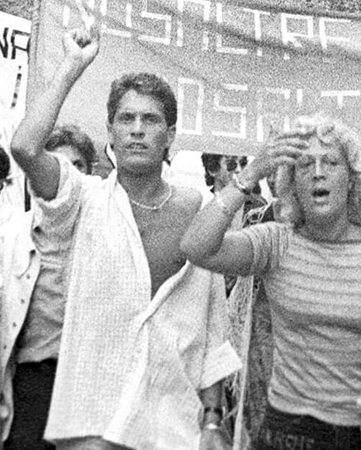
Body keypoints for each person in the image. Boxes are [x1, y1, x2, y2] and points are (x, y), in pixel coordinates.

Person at [9, 24, 239, 449]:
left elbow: (212, 333)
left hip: (174, 427)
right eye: (125, 119)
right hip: (92, 426)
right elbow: (24, 148)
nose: (136, 129)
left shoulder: (200, 210)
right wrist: (72, 66)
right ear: (110, 134)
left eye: (150, 120)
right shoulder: (82, 199)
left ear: (169, 136)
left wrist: (211, 421)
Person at [179, 114, 361, 449]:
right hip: (286, 434)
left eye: (331, 162)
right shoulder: (276, 242)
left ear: (353, 179)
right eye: (305, 164)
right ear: (292, 184)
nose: (318, 172)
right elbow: (196, 248)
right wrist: (251, 173)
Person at [0, 126, 98, 450]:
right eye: (53, 165)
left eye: (76, 167)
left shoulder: (106, 239)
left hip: (90, 382)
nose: (62, 177)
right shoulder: (10, 234)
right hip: (32, 384)